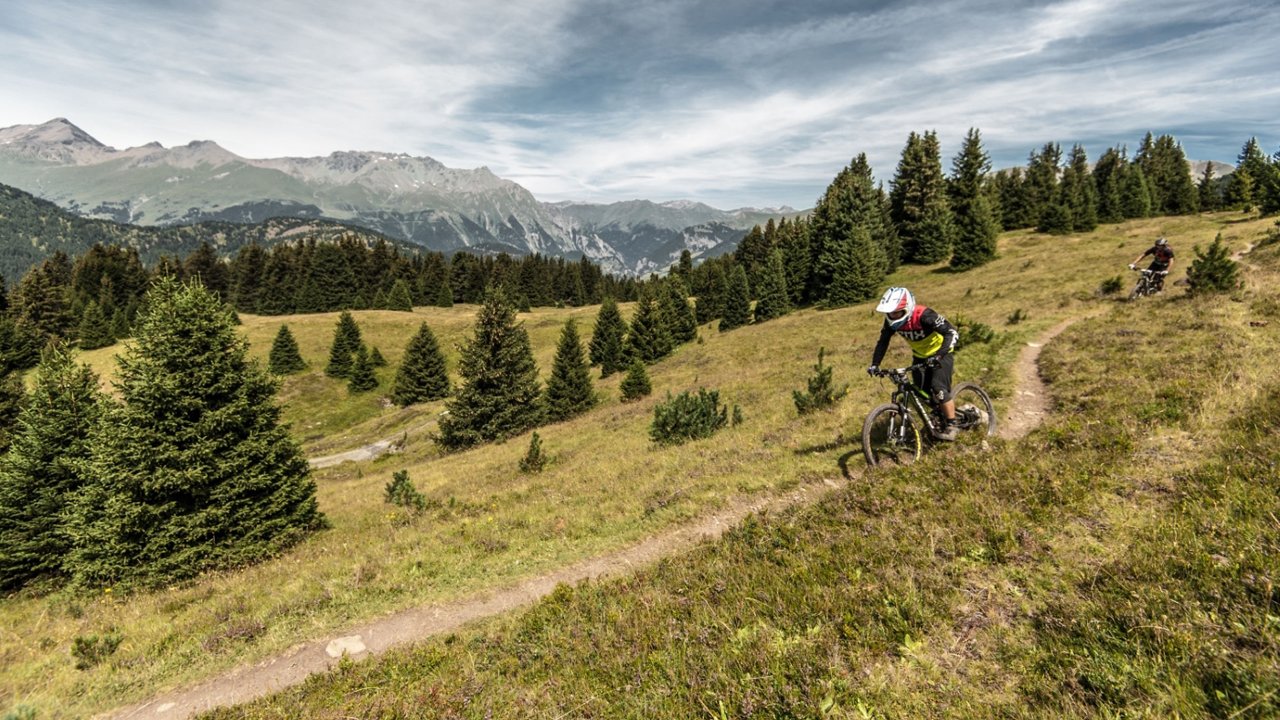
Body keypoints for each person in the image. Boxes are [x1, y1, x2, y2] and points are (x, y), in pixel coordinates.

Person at [866, 287, 961, 440]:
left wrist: (939, 355)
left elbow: (951, 332)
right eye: (890, 313)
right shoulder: (891, 322)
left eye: (898, 312)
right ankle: (937, 418)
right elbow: (883, 341)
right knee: (921, 393)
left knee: (938, 388)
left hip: (941, 354)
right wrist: (875, 364)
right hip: (920, 357)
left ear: (907, 308)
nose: (893, 316)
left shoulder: (924, 315)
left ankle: (952, 423)